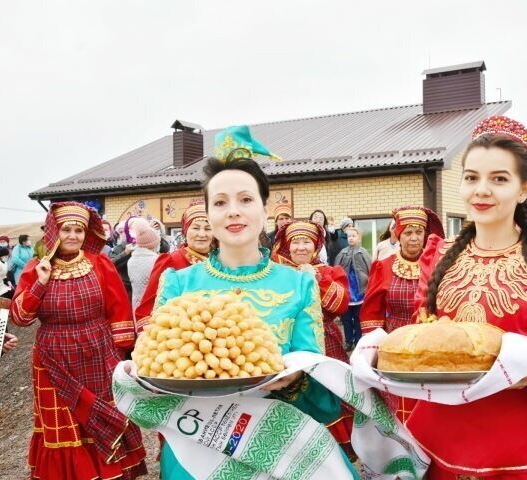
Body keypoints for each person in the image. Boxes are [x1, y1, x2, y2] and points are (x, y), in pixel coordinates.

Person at [153, 126, 347, 479]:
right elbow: (155, 373)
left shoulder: (299, 283)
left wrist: (292, 380)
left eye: (245, 199)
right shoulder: (178, 283)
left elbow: (316, 375)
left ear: (264, 208)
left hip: (279, 449)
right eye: (221, 202)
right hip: (198, 453)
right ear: (208, 213)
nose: (233, 212)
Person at [410, 116, 527, 479]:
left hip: (525, 440)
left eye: (499, 179)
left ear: (524, 189)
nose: (481, 190)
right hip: (440, 434)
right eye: (471, 177)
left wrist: (526, 371)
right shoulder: (437, 255)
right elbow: (421, 341)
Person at [10, 202, 146, 480]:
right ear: (53, 232)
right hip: (52, 359)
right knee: (64, 424)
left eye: (78, 230)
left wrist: (122, 357)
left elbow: (118, 308)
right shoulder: (37, 267)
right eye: (66, 230)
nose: (72, 236)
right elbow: (21, 318)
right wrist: (40, 283)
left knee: (102, 415)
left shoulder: (100, 263)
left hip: (98, 353)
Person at [270, 220, 355, 459]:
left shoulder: (331, 272)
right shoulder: (277, 274)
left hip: (327, 342)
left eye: (306, 241)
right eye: (295, 242)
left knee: (328, 392)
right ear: (287, 245)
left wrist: (316, 277)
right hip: (289, 344)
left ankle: (333, 456)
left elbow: (340, 305)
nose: (300, 247)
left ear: (316, 246)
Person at [361, 206, 445, 334]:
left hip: (429, 335)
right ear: (399, 235)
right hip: (395, 336)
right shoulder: (383, 266)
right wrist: (374, 342)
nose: (414, 238)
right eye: (408, 233)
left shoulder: (437, 264)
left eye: (419, 232)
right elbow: (373, 311)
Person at [134, 200, 214, 332]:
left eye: (208, 228)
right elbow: (149, 306)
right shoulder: (170, 261)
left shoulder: (221, 262)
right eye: (195, 228)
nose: (202, 234)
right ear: (185, 231)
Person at [334, 226, 371, 350]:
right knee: (346, 319)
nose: (351, 238)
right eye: (349, 236)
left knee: (359, 318)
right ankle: (349, 341)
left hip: (360, 291)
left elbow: (370, 269)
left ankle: (358, 340)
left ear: (359, 238)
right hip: (346, 292)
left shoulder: (363, 252)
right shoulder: (342, 253)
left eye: (353, 236)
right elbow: (336, 270)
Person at [127, 217, 160, 314]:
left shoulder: (131, 260)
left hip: (135, 305)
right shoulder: (156, 260)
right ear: (152, 245)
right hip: (152, 306)